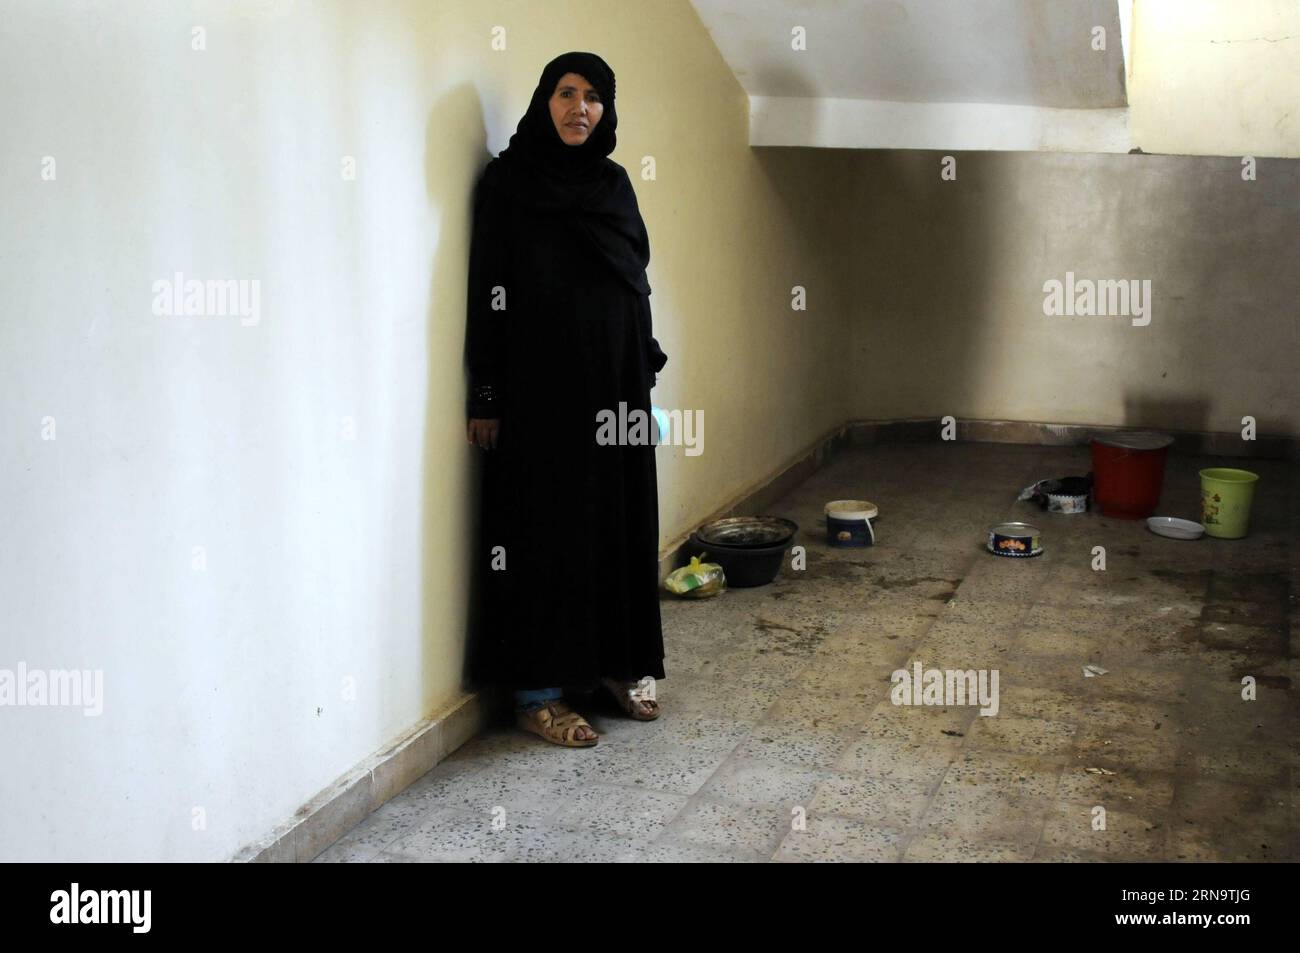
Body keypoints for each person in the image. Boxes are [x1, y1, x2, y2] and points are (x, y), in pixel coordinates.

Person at [464, 52, 669, 748]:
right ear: (543, 101)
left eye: (593, 97)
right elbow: (487, 289)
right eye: (565, 93)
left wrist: (644, 364)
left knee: (615, 525)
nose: (579, 108)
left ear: (607, 110)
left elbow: (634, 278)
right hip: (539, 393)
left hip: (616, 389)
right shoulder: (510, 183)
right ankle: (538, 692)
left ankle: (612, 665)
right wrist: (486, 391)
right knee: (543, 531)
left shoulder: (613, 186)